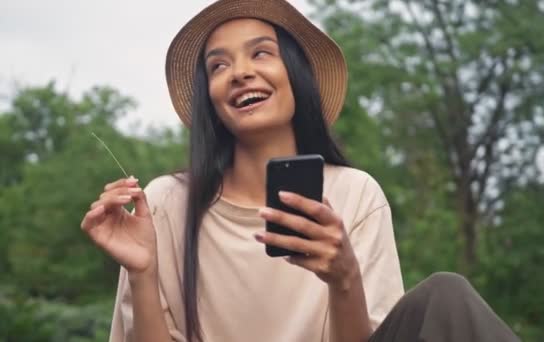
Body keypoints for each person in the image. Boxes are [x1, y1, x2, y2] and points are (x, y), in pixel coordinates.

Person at [80, 0, 520, 341]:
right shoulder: (165, 203)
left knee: (447, 295)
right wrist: (142, 272)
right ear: (209, 97)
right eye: (219, 65)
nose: (241, 73)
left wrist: (343, 277)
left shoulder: (356, 194)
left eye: (261, 54)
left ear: (296, 74)